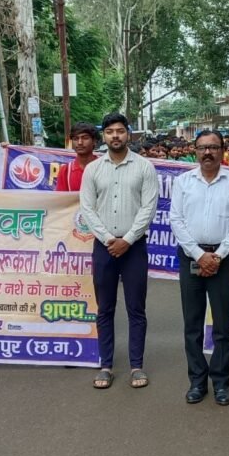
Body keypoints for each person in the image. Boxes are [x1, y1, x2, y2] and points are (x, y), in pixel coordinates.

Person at [79, 112, 160, 390]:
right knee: (105, 309)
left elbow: (149, 208)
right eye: (110, 131)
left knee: (136, 309)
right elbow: (87, 208)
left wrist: (127, 239)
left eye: (120, 131)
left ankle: (137, 366)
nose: (115, 136)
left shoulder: (144, 167)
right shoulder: (93, 169)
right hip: (104, 248)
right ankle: (106, 366)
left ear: (128, 134)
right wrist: (107, 238)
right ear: (104, 136)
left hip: (134, 247)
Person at [170, 131, 229, 406]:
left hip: (223, 260)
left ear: (222, 150)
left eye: (213, 147)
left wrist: (217, 256)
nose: (208, 152)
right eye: (202, 147)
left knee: (223, 325)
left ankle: (221, 382)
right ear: (195, 150)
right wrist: (199, 255)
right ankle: (197, 381)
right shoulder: (183, 182)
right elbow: (176, 220)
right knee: (192, 324)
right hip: (190, 256)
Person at [56, 123, 100, 192]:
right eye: (76, 139)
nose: (80, 142)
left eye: (85, 138)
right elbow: (62, 197)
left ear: (94, 141)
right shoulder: (66, 171)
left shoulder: (104, 167)